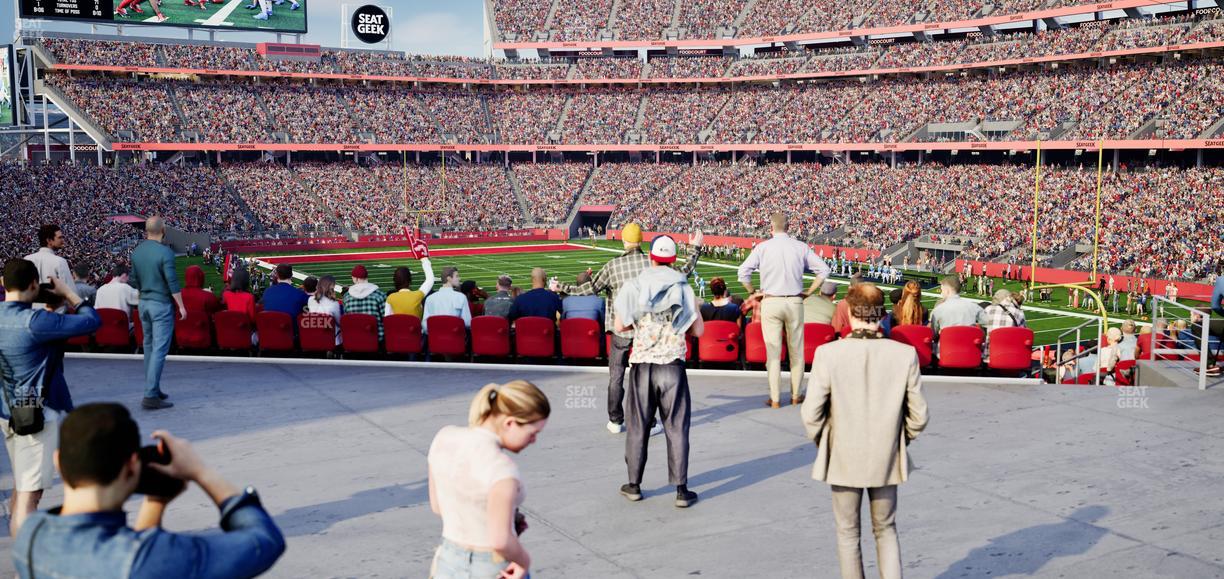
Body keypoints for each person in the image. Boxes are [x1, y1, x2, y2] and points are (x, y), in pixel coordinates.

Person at [13, 403, 285, 578]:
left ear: (58, 461)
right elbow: (264, 541)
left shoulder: (31, 533)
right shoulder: (153, 558)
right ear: (132, 465)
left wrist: (157, 499)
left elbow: (130, 558)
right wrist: (201, 471)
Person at [801, 283, 928, 579]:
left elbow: (810, 415)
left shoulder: (828, 354)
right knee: (886, 530)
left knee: (847, 533)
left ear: (849, 310)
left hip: (844, 453)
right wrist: (898, 439)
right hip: (885, 455)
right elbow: (919, 415)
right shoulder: (904, 354)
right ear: (881, 313)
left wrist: (827, 441)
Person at [553, 224, 703, 435]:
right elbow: (684, 272)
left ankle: (615, 420)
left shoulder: (613, 266)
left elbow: (588, 288)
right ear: (641, 241)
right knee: (647, 378)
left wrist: (562, 287)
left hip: (621, 329)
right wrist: (695, 249)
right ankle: (649, 423)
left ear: (624, 241)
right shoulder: (653, 263)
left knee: (616, 376)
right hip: (647, 331)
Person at [0, 259, 100, 536]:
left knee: (23, 484)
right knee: (31, 496)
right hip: (37, 415)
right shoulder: (36, 322)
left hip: (7, 411)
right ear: (34, 285)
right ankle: (25, 564)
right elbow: (92, 321)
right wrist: (69, 294)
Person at [613, 236, 703, 509]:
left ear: (651, 257)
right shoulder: (683, 286)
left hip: (642, 365)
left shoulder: (635, 284)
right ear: (673, 259)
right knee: (676, 428)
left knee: (638, 427)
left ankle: (634, 484)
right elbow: (697, 330)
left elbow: (620, 325)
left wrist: (642, 326)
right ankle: (681, 489)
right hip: (672, 365)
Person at [428, 381, 550, 579]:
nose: (533, 440)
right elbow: (500, 540)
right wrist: (524, 562)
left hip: (448, 560)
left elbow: (438, 506)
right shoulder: (502, 468)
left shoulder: (444, 437)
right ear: (510, 423)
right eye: (532, 433)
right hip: (492, 567)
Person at [738, 213, 831, 408]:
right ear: (789, 227)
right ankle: (796, 395)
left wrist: (753, 292)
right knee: (796, 351)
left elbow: (743, 272)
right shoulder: (800, 247)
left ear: (771, 227)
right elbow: (823, 270)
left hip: (771, 301)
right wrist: (810, 291)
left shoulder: (763, 247)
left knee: (773, 353)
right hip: (794, 301)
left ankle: (775, 399)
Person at [129, 217, 185, 411]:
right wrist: (181, 306)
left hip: (143, 303)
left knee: (149, 348)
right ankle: (150, 394)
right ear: (163, 229)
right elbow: (172, 281)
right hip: (160, 304)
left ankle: (153, 387)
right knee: (159, 350)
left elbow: (133, 280)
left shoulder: (137, 252)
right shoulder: (165, 252)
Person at [344, 265, 391, 340]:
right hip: (376, 340)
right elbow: (386, 319)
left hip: (354, 339)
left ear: (356, 279)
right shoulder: (379, 295)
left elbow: (346, 320)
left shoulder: (347, 297)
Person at [423, 267, 471, 334]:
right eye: (456, 276)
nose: (459, 279)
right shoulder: (461, 297)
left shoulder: (430, 298)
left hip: (435, 340)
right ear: (449, 278)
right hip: (455, 339)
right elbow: (468, 323)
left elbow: (425, 326)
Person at [307, 276, 342, 346]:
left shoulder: (310, 299)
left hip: (315, 335)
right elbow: (339, 322)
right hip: (332, 339)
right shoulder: (334, 303)